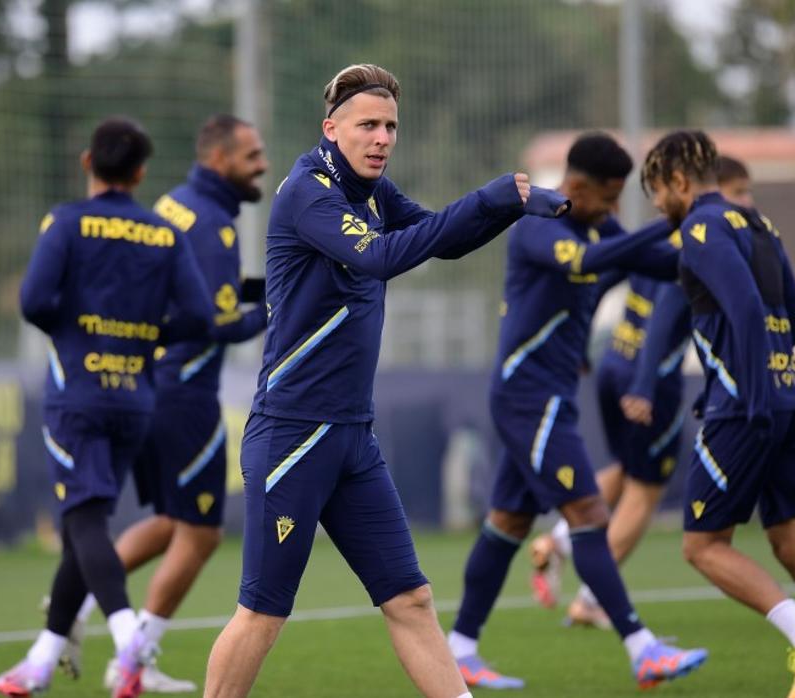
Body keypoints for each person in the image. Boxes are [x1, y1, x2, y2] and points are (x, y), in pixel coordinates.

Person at [200, 63, 568, 698]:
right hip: (294, 435)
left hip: (352, 437)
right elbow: (382, 256)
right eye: (368, 125)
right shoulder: (309, 191)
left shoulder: (370, 188)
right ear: (331, 128)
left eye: (391, 126)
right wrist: (492, 197)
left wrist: (518, 209)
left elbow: (439, 240)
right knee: (263, 611)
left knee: (411, 599)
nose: (382, 138)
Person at [446, 132, 707, 691]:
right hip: (527, 397)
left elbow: (653, 264)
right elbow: (593, 260)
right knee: (588, 514)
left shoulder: (597, 223)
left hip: (550, 395)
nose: (614, 211)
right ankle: (642, 649)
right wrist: (668, 220)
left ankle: (460, 649)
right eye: (609, 199)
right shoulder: (540, 221)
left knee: (509, 523)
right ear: (579, 187)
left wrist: (711, 249)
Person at [643, 129, 795, 698]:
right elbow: (793, 321)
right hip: (792, 394)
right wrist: (766, 377)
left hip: (747, 406)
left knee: (702, 545)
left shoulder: (700, 229)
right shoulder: (761, 225)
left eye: (655, 192)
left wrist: (746, 391)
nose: (657, 207)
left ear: (679, 181)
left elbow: (745, 309)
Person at [0, 117, 214, 698]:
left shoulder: (65, 221)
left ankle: (127, 642)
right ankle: (38, 665)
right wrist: (142, 338)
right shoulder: (165, 233)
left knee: (84, 519)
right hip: (135, 398)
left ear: (88, 162)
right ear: (141, 173)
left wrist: (80, 333)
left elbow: (35, 301)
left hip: (78, 396)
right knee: (81, 528)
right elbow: (197, 317)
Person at [63, 115, 271, 693]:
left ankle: (74, 606)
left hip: (148, 383)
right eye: (252, 155)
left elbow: (202, 295)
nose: (263, 165)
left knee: (171, 520)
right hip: (184, 391)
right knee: (201, 533)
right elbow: (211, 321)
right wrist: (280, 311)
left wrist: (267, 285)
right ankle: (133, 658)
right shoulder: (209, 225)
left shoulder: (177, 205)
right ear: (218, 159)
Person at [530, 156, 753, 627]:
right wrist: (646, 386)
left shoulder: (674, 239)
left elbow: (604, 276)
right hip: (648, 381)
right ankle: (593, 599)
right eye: (740, 192)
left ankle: (559, 541)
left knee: (627, 470)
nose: (745, 203)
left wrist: (584, 341)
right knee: (646, 492)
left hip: (612, 364)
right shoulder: (698, 242)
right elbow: (666, 317)